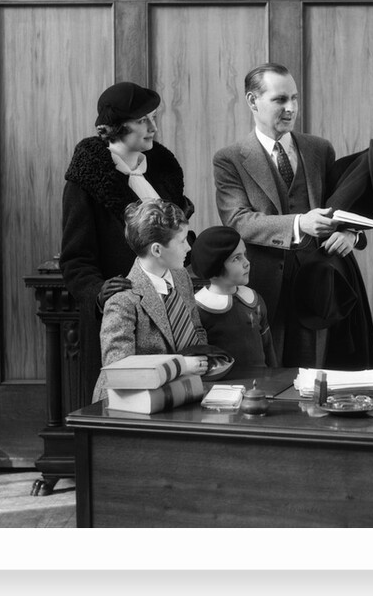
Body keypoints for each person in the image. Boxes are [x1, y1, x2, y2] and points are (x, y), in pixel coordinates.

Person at [213, 63, 366, 367]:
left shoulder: (319, 149)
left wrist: (350, 233)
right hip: (265, 289)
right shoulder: (229, 159)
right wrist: (300, 222)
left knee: (320, 378)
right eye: (280, 100)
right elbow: (238, 221)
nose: (291, 108)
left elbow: (343, 210)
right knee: (271, 381)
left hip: (321, 288)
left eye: (294, 98)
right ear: (252, 101)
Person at [60, 81, 195, 401]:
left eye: (153, 117)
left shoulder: (164, 168)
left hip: (170, 306)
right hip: (119, 314)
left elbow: (175, 234)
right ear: (117, 128)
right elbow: (75, 258)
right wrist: (99, 293)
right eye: (143, 121)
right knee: (123, 403)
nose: (153, 127)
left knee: (175, 399)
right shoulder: (86, 178)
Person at [91, 199, 208, 402]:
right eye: (181, 241)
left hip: (177, 392)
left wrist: (204, 360)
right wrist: (180, 365)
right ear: (156, 250)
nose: (188, 248)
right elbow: (119, 370)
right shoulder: (122, 301)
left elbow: (196, 328)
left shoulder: (181, 277)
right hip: (125, 404)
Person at [190, 225, 278, 368]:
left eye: (245, 254)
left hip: (263, 385)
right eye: (236, 258)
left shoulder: (255, 301)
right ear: (214, 265)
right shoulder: (199, 310)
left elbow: (268, 349)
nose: (247, 263)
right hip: (222, 388)